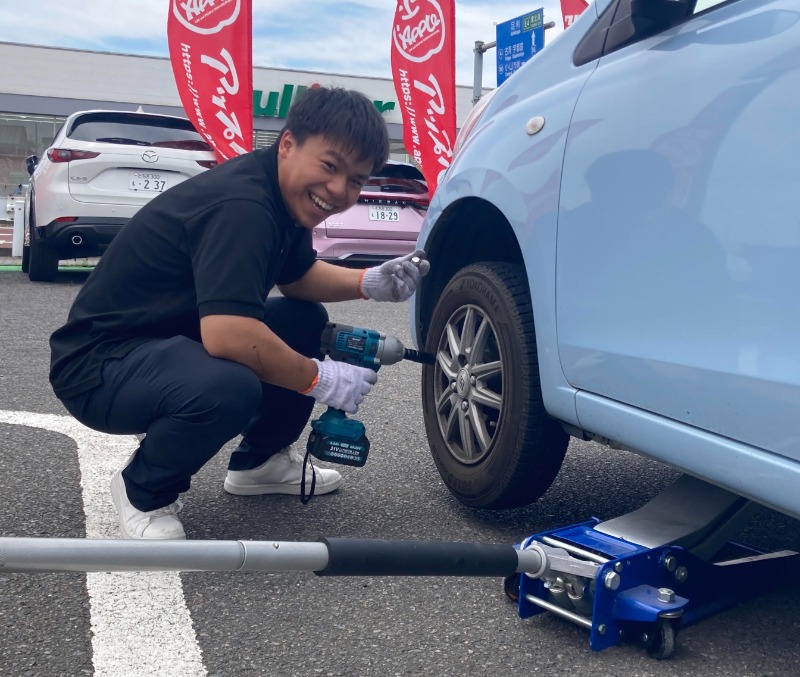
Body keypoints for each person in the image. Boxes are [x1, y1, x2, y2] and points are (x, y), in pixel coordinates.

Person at [49, 87, 430, 541]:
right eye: (330, 166)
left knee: (301, 319)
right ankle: (143, 492)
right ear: (287, 144)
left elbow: (296, 278)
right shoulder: (244, 206)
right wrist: (319, 378)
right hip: (100, 367)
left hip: (165, 342)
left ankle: (260, 463)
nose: (338, 190)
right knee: (228, 386)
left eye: (355, 180)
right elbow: (228, 335)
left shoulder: (282, 195)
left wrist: (367, 281)